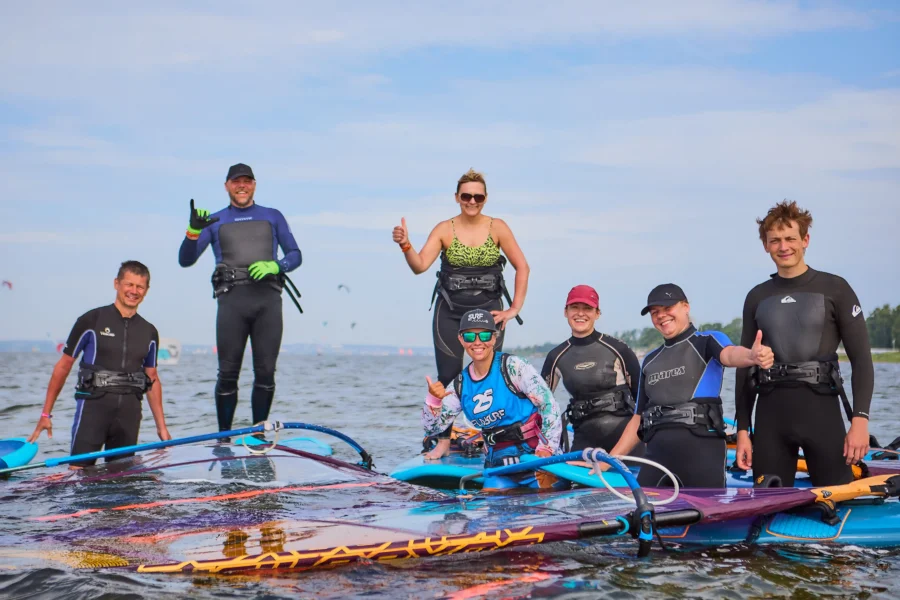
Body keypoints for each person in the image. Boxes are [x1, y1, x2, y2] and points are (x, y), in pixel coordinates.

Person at [734, 201, 874, 487]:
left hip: (821, 412)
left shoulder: (835, 288)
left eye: (790, 238)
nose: (783, 246)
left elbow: (861, 360)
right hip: (772, 415)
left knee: (835, 500)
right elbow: (745, 369)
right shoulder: (757, 297)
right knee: (767, 505)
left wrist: (860, 421)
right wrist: (743, 431)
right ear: (766, 246)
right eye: (775, 240)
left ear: (805, 240)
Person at [607, 284, 774, 488]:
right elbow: (638, 418)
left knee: (705, 516)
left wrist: (751, 355)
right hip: (657, 456)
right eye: (655, 312)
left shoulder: (707, 341)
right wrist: (609, 460)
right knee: (643, 516)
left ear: (685, 307)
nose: (661, 316)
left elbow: (730, 354)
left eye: (668, 308)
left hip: (701, 450)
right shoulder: (650, 360)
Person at [178, 163, 302, 432]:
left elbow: (295, 254)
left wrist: (277, 265)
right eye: (236, 181)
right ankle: (224, 439)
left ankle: (258, 433)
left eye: (247, 181)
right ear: (227, 186)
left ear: (254, 184)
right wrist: (193, 231)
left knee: (266, 373)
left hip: (267, 302)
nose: (241, 186)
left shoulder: (272, 216)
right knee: (227, 375)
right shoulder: (214, 220)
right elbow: (185, 260)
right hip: (231, 302)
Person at [392, 168, 529, 388]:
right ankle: (444, 423)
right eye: (466, 196)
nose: (472, 201)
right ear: (457, 198)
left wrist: (514, 309)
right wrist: (405, 245)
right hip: (450, 310)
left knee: (490, 378)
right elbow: (419, 266)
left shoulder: (498, 227)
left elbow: (522, 267)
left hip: (489, 312)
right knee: (448, 379)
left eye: (478, 197)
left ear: (485, 199)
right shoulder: (444, 229)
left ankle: (490, 422)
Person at [27, 261, 171, 463]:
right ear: (116, 284)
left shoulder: (149, 331)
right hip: (93, 409)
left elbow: (152, 377)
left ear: (146, 290)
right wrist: (45, 414)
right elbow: (64, 366)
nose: (134, 291)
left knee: (123, 481)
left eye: (140, 286)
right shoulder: (91, 320)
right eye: (129, 284)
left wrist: (162, 429)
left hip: (129, 414)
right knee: (79, 473)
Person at [422, 309, 563, 490]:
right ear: (461, 340)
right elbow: (432, 428)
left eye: (485, 335)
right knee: (491, 507)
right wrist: (433, 401)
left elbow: (549, 405)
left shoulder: (514, 367)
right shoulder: (459, 386)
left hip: (536, 457)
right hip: (498, 463)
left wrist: (547, 449)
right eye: (470, 337)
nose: (478, 342)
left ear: (494, 338)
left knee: (539, 507)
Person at [542, 285, 644, 455]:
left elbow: (643, 399)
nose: (580, 313)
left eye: (587, 308)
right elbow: (539, 404)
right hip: (585, 439)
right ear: (565, 312)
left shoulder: (618, 349)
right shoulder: (556, 356)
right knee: (574, 482)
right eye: (574, 307)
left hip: (625, 438)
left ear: (597, 313)